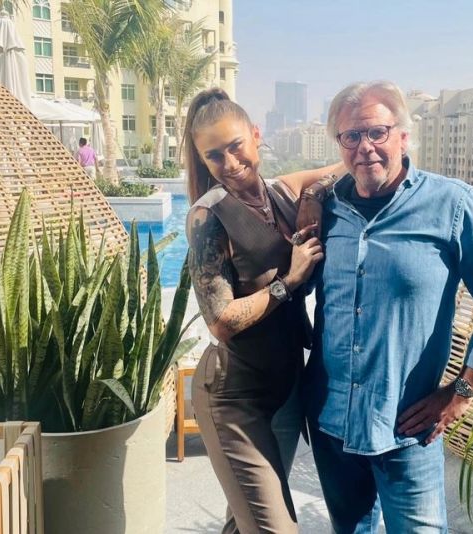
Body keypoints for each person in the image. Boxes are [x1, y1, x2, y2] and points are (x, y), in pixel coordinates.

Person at [300, 81, 473, 533]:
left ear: (403, 137)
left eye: (377, 132)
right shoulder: (328, 208)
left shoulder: (453, 204)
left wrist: (462, 391)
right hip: (332, 424)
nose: (365, 147)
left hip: (407, 429)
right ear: (339, 145)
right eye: (351, 136)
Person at [183, 87, 342, 534]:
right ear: (203, 160)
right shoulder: (208, 217)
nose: (230, 163)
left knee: (246, 522)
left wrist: (314, 194)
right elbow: (221, 321)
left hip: (285, 390)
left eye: (236, 146)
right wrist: (288, 281)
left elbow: (346, 165)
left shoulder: (285, 192)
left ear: (255, 135)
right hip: (235, 397)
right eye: (215, 156)